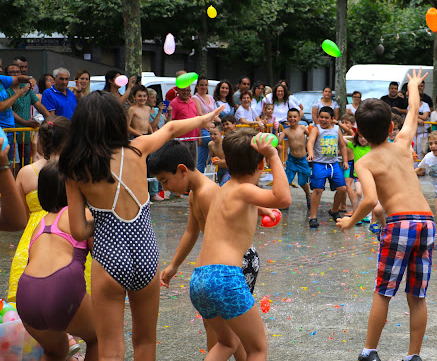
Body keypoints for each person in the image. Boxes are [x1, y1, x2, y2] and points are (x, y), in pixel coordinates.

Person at [59, 90, 223, 359]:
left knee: (110, 347)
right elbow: (170, 128)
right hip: (146, 254)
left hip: (110, 256)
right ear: (116, 121)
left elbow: (78, 230)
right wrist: (204, 118)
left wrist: (105, 224)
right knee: (145, 342)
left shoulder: (76, 169)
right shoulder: (138, 149)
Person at [336, 69, 434, 361]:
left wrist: (350, 221)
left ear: (360, 133)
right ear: (392, 126)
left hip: (400, 223)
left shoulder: (365, 161)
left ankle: (370, 352)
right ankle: (412, 356)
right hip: (426, 222)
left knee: (383, 292)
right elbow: (414, 110)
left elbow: (370, 200)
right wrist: (413, 85)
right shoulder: (404, 146)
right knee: (417, 296)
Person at [149, 140, 275, 358]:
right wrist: (174, 265)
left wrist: (262, 208)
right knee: (226, 332)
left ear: (181, 170)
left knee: (232, 333)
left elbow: (236, 205)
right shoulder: (196, 193)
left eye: (165, 181)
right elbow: (191, 231)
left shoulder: (208, 192)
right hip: (219, 269)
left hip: (235, 264)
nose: (164, 188)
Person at [189, 129, 290, 360]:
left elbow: (239, 206)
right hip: (225, 278)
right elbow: (284, 198)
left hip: (200, 279)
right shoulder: (246, 190)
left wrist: (263, 209)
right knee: (257, 349)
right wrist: (274, 156)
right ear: (261, 163)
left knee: (227, 342)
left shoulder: (225, 190)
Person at [16, 161, 98, 360]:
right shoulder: (80, 215)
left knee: (55, 351)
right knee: (99, 336)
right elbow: (102, 257)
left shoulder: (39, 225)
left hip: (27, 293)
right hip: (62, 286)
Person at [9, 118, 92, 306]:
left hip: (36, 237)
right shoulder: (81, 170)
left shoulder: (26, 172)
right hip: (74, 232)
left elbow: (19, 217)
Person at [306, 106, 348, 229]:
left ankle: (334, 210)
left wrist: (345, 161)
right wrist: (310, 153)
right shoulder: (316, 129)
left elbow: (343, 146)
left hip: (334, 164)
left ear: (332, 119)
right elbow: (310, 142)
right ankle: (313, 217)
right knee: (318, 190)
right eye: (321, 117)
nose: (323, 120)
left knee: (342, 189)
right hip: (319, 164)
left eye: (326, 118)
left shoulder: (336, 129)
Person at [6, 65, 50, 168]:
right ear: (7, 76)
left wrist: (51, 119)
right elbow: (9, 111)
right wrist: (25, 123)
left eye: (18, 72)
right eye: (12, 73)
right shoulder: (5, 90)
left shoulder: (26, 88)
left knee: (28, 165)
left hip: (26, 136)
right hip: (12, 135)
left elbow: (38, 105)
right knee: (14, 168)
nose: (15, 74)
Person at [278, 109, 311, 208]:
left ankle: (308, 195)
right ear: (287, 119)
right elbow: (278, 141)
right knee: (287, 181)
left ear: (299, 118)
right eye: (290, 117)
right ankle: (285, 200)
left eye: (294, 117)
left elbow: (312, 138)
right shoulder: (286, 131)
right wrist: (275, 133)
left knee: (302, 182)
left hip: (302, 160)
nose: (292, 118)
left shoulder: (303, 128)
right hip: (292, 160)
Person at [1, 64, 33, 166]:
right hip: (3, 133)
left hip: (11, 133)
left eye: (1, 66)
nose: (1, 69)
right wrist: (19, 94)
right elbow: (1, 107)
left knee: (14, 165)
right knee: (4, 166)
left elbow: (18, 79)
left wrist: (29, 79)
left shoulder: (1, 79)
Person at [171, 86, 203, 162]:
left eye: (188, 90)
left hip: (193, 139)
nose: (186, 92)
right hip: (181, 140)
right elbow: (170, 121)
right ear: (178, 91)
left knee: (193, 166)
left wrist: (200, 136)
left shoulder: (193, 102)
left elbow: (197, 119)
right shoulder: (174, 103)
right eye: (183, 90)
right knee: (182, 164)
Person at [193, 76, 216, 173]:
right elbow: (200, 114)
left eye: (205, 85)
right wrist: (211, 122)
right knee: (201, 160)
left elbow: (215, 113)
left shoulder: (210, 97)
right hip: (202, 129)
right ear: (197, 86)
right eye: (201, 85)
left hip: (212, 128)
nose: (204, 87)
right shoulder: (195, 98)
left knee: (202, 158)